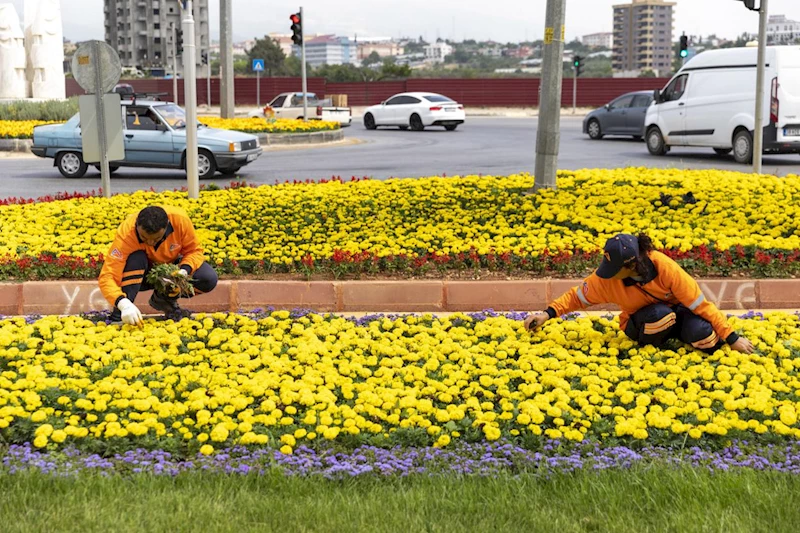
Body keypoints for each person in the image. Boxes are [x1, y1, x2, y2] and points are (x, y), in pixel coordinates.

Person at [524, 233, 755, 355]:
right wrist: (546, 314)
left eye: (614, 269)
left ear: (631, 265)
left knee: (706, 338)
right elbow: (577, 297)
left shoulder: (665, 268)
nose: (607, 273)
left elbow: (701, 305)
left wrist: (732, 338)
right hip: (640, 322)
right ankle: (658, 342)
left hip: (677, 314)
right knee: (660, 315)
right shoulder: (606, 280)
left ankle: (680, 334)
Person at [99, 205, 218, 325]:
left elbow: (194, 251)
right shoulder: (126, 234)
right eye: (144, 237)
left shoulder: (180, 221)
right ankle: (119, 314)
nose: (150, 242)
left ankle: (164, 298)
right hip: (143, 274)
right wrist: (122, 303)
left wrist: (184, 270)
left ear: (167, 227)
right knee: (136, 258)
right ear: (136, 226)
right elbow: (108, 275)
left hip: (172, 270)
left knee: (208, 278)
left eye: (156, 239)